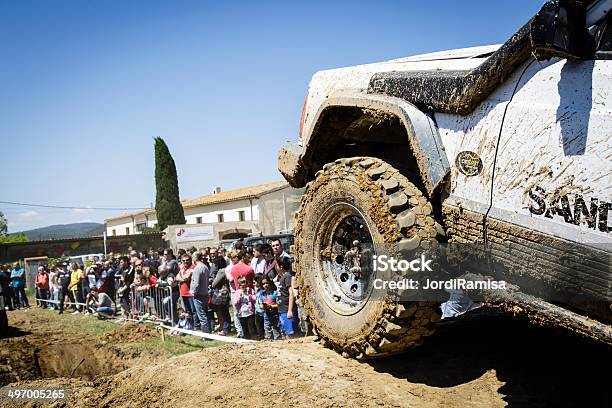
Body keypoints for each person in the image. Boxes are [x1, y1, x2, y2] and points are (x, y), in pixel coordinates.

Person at [276, 257, 300, 338]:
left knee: (291, 334)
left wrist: (289, 310)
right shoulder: (283, 277)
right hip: (282, 310)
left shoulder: (287, 277)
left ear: (281, 266)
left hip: (286, 310)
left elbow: (291, 293)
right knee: (286, 332)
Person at [176, 254, 198, 328]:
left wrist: (181, 279)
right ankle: (190, 325)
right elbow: (176, 277)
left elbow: (187, 278)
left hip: (190, 293)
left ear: (190, 259)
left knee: (194, 310)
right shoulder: (182, 268)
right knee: (188, 311)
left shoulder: (193, 267)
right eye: (183, 260)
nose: (185, 262)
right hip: (183, 293)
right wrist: (182, 279)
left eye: (187, 260)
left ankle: (196, 326)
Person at [190, 252, 210, 334]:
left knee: (201, 315)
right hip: (205, 292)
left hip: (199, 294)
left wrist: (193, 292)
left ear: (195, 258)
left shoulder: (197, 268)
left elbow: (196, 283)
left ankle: (205, 334)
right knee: (205, 313)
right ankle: (209, 330)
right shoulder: (205, 267)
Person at [210, 257, 231, 335]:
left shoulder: (221, 271)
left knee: (223, 311)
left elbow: (214, 284)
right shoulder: (225, 269)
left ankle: (225, 329)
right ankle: (226, 327)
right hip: (225, 292)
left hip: (222, 293)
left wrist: (212, 280)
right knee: (225, 311)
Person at [225, 250, 243, 338]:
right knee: (236, 311)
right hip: (234, 291)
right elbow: (231, 279)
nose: (238, 258)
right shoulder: (228, 268)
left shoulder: (241, 265)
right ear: (232, 258)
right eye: (236, 257)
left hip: (243, 289)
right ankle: (239, 330)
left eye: (238, 256)